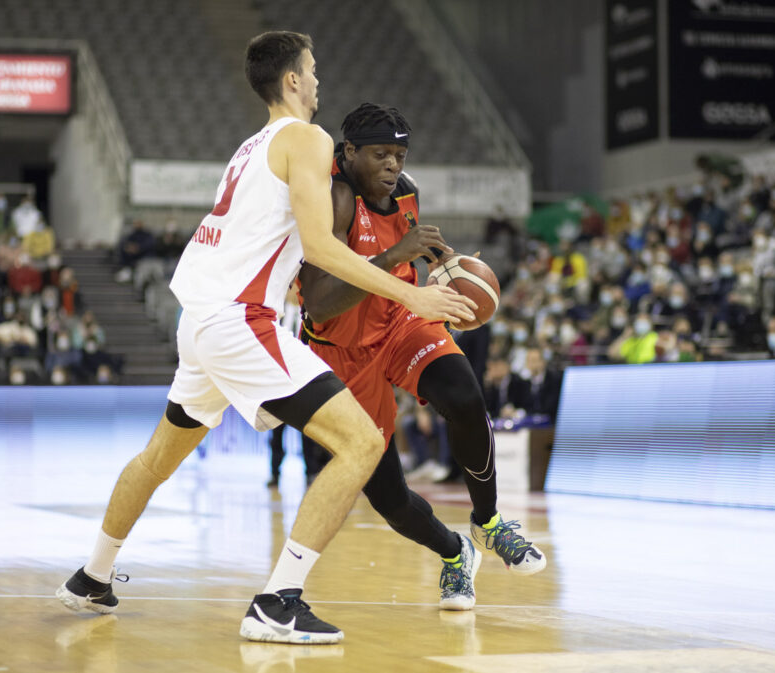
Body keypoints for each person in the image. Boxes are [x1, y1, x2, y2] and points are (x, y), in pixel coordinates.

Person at [55, 32, 474, 645]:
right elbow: (322, 247)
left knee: (156, 459)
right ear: (292, 81)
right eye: (312, 70)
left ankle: (92, 576)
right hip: (236, 320)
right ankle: (279, 602)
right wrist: (413, 294)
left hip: (198, 322)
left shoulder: (249, 148)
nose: (319, 80)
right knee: (360, 442)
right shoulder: (307, 138)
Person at [296, 103, 545, 610]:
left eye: (400, 154)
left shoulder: (405, 191)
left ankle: (489, 522)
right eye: (380, 154)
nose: (392, 164)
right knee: (389, 500)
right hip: (341, 350)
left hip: (401, 318)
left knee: (464, 394)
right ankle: (455, 554)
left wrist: (448, 265)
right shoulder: (336, 200)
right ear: (349, 152)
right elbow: (320, 306)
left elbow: (412, 248)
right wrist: (393, 256)